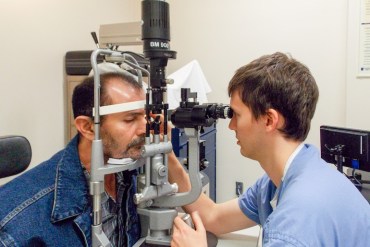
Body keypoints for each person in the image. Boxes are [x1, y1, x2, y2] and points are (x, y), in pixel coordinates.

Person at [170, 52, 370, 247]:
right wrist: (167, 154)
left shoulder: (296, 220)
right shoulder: (282, 180)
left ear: (269, 120)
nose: (231, 126)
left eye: (236, 115)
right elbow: (213, 217)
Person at [0, 71, 147, 246]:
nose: (145, 128)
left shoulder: (128, 168)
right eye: (130, 119)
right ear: (88, 128)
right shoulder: (18, 224)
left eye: (146, 117)